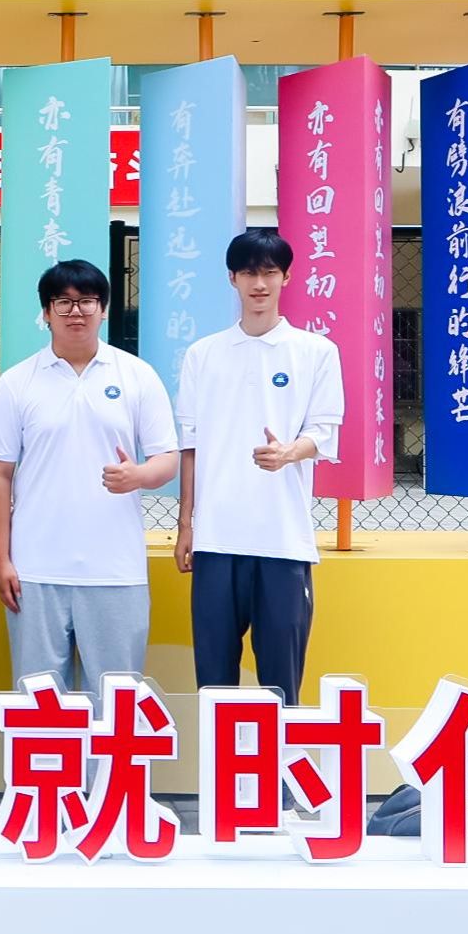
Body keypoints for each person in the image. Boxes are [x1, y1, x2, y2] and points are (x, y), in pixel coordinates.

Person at [0, 259, 178, 693]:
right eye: (64, 302)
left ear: (103, 309)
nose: (76, 312)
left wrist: (138, 476)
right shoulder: (17, 383)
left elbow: (167, 458)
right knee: (38, 702)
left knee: (114, 700)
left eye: (87, 301)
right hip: (36, 568)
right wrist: (2, 560)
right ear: (46, 312)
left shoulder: (137, 376)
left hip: (115, 569)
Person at [174, 229, 342, 704]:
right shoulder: (203, 354)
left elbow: (324, 431)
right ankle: (220, 757)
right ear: (232, 278)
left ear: (287, 276)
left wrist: (289, 452)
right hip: (216, 540)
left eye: (269, 272)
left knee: (281, 684)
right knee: (214, 683)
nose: (259, 283)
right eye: (249, 273)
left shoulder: (316, 352)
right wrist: (186, 525)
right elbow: (191, 446)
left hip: (282, 540)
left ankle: (281, 756)